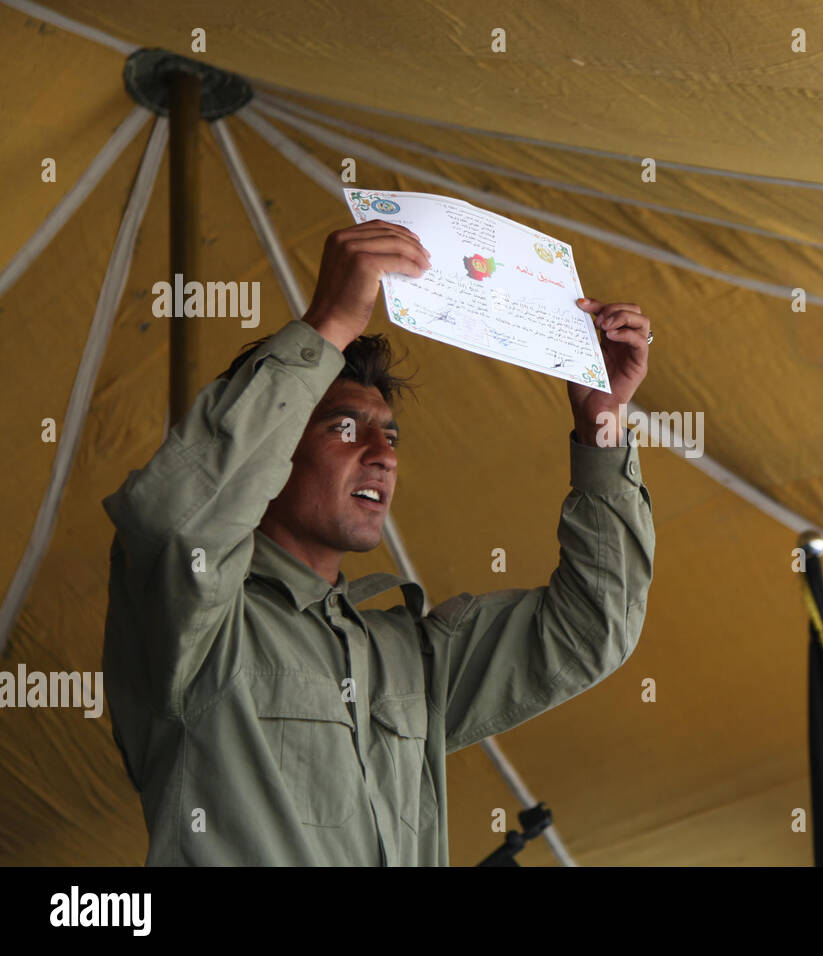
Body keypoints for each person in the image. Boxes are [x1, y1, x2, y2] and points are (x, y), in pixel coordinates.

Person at [101, 221, 655, 865]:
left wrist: (602, 424)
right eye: (344, 427)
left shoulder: (407, 657)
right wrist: (326, 327)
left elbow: (595, 627)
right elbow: (174, 518)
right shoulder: (197, 619)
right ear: (272, 450)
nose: (381, 456)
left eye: (390, 437)